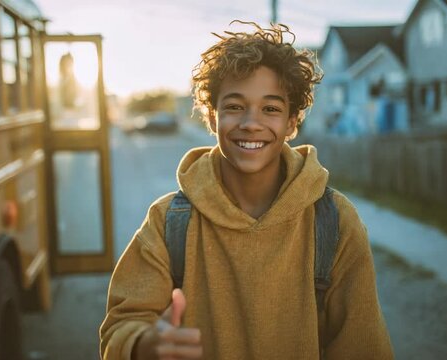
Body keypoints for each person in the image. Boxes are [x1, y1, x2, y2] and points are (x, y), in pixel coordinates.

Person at [100, 21, 393, 359]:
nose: (251, 122)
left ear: (292, 121)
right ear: (212, 117)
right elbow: (120, 326)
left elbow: (363, 345)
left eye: (270, 108)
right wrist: (143, 344)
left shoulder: (334, 222)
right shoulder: (169, 222)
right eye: (235, 106)